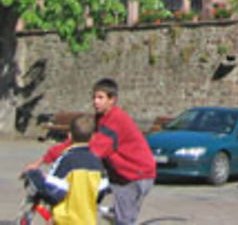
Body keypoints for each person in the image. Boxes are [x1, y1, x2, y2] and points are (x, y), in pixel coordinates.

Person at [26, 78, 156, 225]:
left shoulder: (116, 121)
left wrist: (68, 162)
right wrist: (42, 160)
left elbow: (95, 150)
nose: (95, 102)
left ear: (112, 100)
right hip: (118, 174)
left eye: (100, 98)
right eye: (94, 97)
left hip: (134, 175)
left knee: (124, 221)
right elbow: (77, 140)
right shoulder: (99, 118)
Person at [25, 113, 109, 225]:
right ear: (93, 137)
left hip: (66, 220)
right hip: (88, 220)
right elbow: (101, 190)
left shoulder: (66, 160)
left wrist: (35, 176)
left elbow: (54, 191)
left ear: (70, 136)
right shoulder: (97, 163)